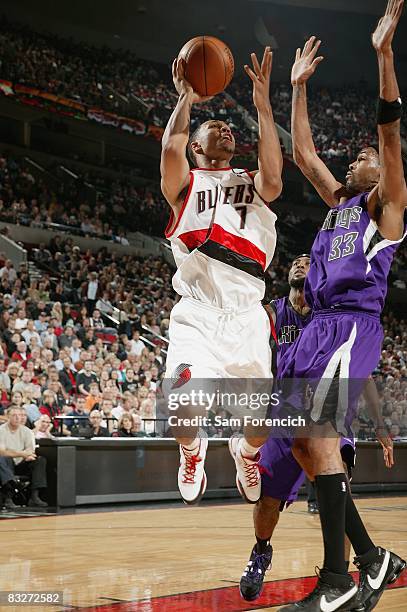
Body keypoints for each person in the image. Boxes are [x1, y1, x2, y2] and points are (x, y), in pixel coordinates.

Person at [279, 4, 407, 609]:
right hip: (315, 329)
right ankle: (375, 558)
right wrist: (298, 88)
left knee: (319, 434)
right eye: (358, 155)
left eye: (370, 156)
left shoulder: (387, 208)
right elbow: (303, 154)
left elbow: (388, 132)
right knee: (304, 445)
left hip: (351, 328)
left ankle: (336, 580)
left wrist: (384, 57)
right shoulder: (339, 204)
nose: (362, 153)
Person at [160, 47, 283, 504]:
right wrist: (186, 99)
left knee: (262, 423)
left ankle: (244, 454)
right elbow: (171, 150)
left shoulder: (253, 184)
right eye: (214, 127)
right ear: (196, 146)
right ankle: (192, 451)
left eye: (228, 127)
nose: (225, 129)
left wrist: (264, 107)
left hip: (248, 316)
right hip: (199, 313)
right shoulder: (184, 186)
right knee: (183, 407)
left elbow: (276, 176)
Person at [240, 257, 393, 602]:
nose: (301, 265)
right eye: (296, 262)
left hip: (331, 408)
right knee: (268, 501)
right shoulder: (273, 313)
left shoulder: (332, 315)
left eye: (309, 263)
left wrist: (380, 423)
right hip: (284, 411)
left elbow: (363, 372)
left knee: (335, 494)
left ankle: (349, 574)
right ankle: (262, 550)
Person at [0, 405, 48, 508]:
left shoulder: (27, 431)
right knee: (3, 458)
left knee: (40, 460)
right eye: (14, 415)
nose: (18, 418)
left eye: (20, 415)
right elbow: (2, 452)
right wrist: (22, 453)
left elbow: (30, 451)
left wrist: (26, 455)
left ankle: (34, 496)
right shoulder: (1, 430)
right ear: (8, 417)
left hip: (22, 463)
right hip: (7, 464)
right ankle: (9, 496)